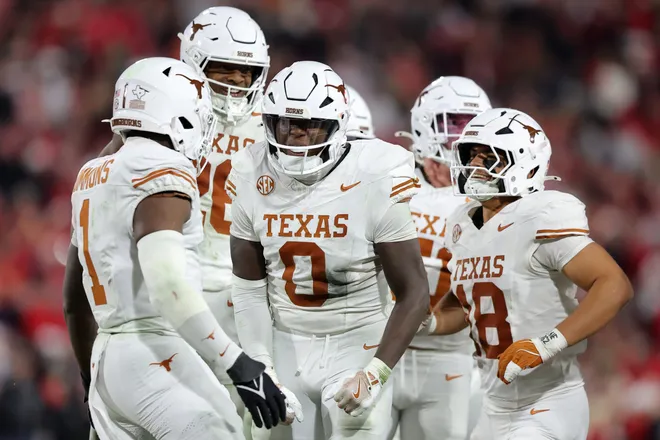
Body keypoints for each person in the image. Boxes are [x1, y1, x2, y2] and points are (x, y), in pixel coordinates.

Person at [63, 57, 286, 440]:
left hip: (107, 358)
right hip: (154, 348)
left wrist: (93, 378)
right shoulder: (162, 168)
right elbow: (167, 284)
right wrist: (236, 363)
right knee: (222, 431)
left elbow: (73, 298)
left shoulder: (91, 173)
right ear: (176, 114)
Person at [227, 60, 430, 440]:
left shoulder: (375, 172)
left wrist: (375, 372)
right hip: (284, 338)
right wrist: (262, 365)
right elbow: (249, 289)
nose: (296, 137)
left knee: (360, 428)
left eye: (309, 125)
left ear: (337, 125)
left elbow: (414, 292)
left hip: (357, 341)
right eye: (285, 124)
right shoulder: (249, 169)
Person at [435, 107, 633, 439]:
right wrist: (429, 321)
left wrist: (546, 344)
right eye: (472, 155)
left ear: (524, 162)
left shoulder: (540, 216)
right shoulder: (462, 224)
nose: (475, 166)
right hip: (490, 404)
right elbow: (468, 303)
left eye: (489, 157)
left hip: (547, 401)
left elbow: (615, 285)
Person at [387, 76, 492, 440]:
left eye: (471, 126)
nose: (461, 137)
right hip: (377, 346)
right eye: (453, 123)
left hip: (453, 355)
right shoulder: (387, 177)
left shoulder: (496, 199)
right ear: (424, 124)